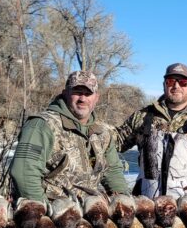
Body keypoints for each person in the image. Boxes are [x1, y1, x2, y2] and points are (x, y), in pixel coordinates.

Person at [9, 70, 128, 202]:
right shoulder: (41, 125)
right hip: (49, 213)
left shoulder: (102, 132)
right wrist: (42, 211)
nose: (82, 99)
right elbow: (23, 173)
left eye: (88, 93)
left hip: (88, 211)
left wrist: (123, 201)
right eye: (77, 92)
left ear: (96, 98)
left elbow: (113, 171)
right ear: (65, 93)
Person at [115, 63, 187, 197]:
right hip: (147, 204)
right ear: (164, 84)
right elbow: (116, 142)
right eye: (170, 81)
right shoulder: (143, 116)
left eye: (183, 82)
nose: (176, 86)